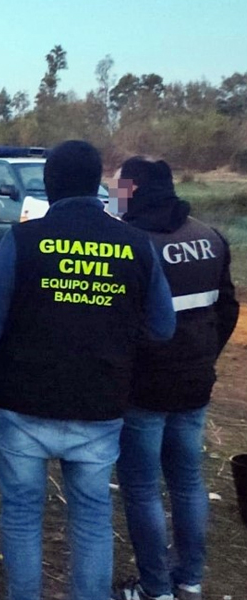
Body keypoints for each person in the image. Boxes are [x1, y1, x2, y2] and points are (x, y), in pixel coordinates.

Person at [0, 141, 177, 600]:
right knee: (92, 517)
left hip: (23, 404)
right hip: (98, 404)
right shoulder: (135, 243)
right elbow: (163, 327)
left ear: (49, 184)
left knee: (21, 515)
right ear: (97, 183)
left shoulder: (21, 241)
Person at [112, 157, 239, 600]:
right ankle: (190, 579)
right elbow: (227, 311)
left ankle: (154, 588)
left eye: (118, 186)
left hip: (143, 389)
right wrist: (204, 357)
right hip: (194, 384)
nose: (114, 193)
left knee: (143, 487)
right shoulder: (210, 238)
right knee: (188, 481)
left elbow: (121, 322)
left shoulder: (131, 243)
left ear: (135, 188)